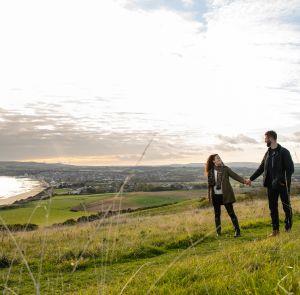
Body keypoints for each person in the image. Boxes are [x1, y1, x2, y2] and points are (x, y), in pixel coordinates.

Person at [248, 130, 294, 236]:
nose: (265, 141)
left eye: (266, 138)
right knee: (272, 208)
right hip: (270, 186)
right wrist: (251, 179)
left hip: (282, 185)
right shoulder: (268, 153)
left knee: (286, 207)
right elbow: (261, 168)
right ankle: (275, 231)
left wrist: (282, 181)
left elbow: (290, 169)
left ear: (271, 138)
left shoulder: (284, 152)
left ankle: (288, 228)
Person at [205, 154, 250, 237]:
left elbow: (235, 176)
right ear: (213, 161)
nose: (219, 159)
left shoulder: (225, 169)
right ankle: (218, 233)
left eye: (219, 158)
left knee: (231, 213)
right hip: (215, 196)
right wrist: (209, 196)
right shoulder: (211, 171)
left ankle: (237, 231)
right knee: (217, 214)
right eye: (217, 158)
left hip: (225, 195)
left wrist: (244, 181)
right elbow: (210, 185)